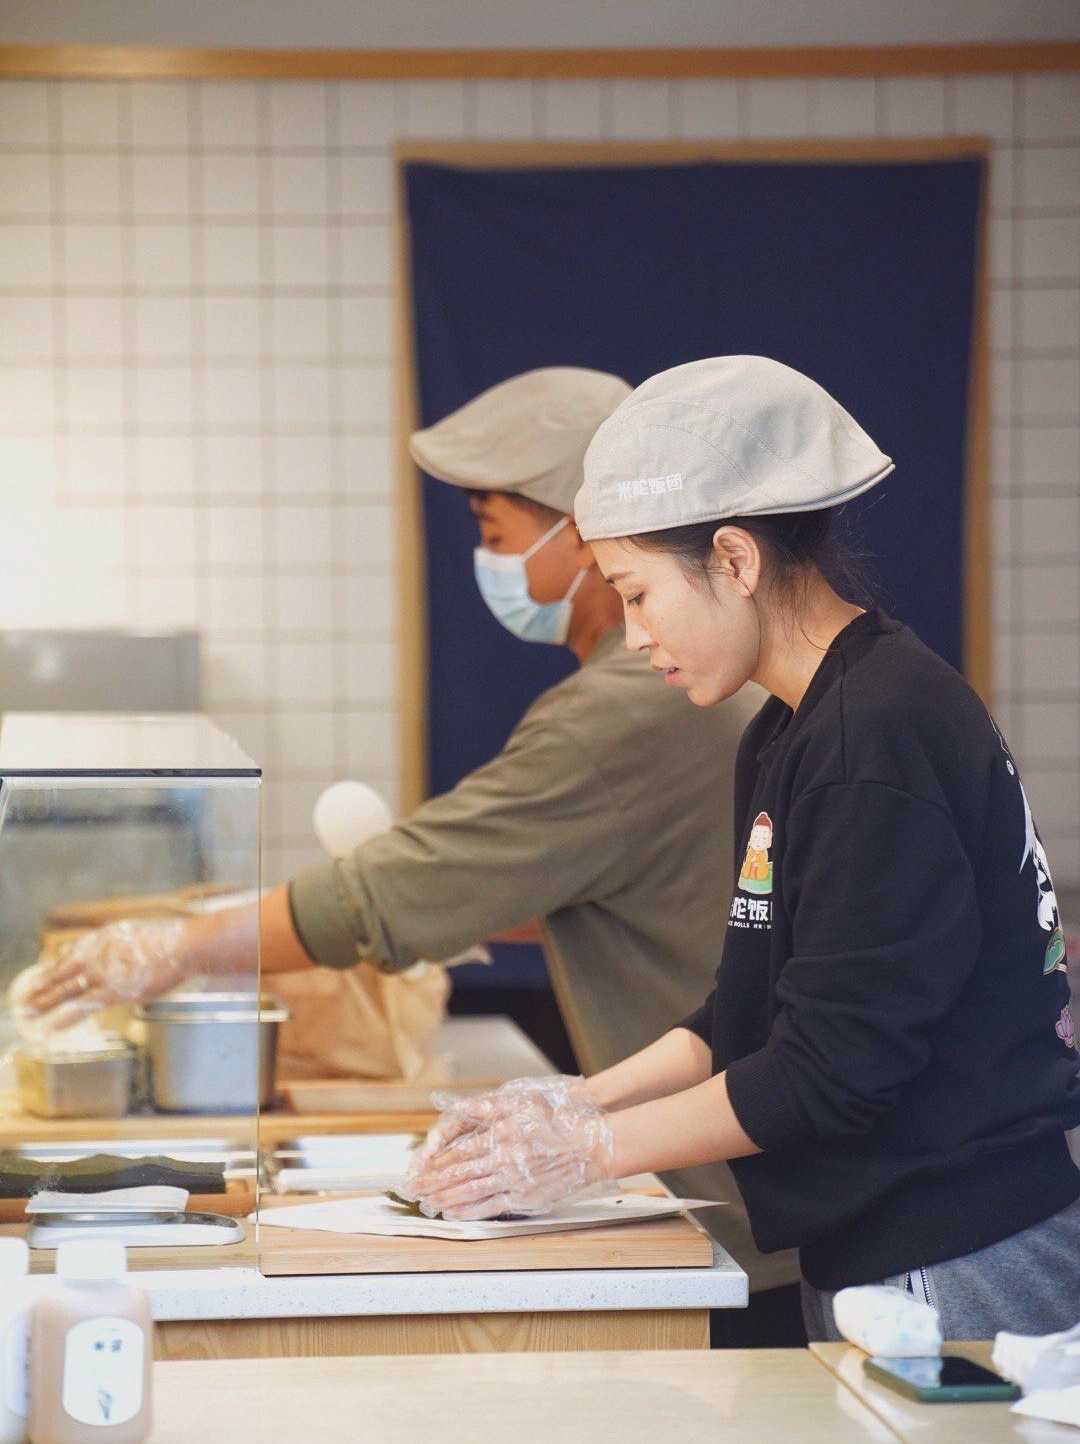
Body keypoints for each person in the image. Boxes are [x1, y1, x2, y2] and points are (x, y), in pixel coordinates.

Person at [23, 367, 799, 1342]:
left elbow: (391, 893)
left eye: (493, 531)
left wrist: (174, 946)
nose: (490, 559)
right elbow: (608, 878)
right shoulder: (684, 692)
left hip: (756, 1214)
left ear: (589, 538)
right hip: (761, 1185)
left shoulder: (630, 705)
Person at [405, 355, 1080, 1340]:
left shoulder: (876, 733)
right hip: (877, 1239)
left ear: (734, 558)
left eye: (637, 594)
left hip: (966, 1246)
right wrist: (568, 1098)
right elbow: (745, 1007)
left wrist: (586, 1151)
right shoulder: (788, 729)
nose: (634, 635)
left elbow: (827, 1068)